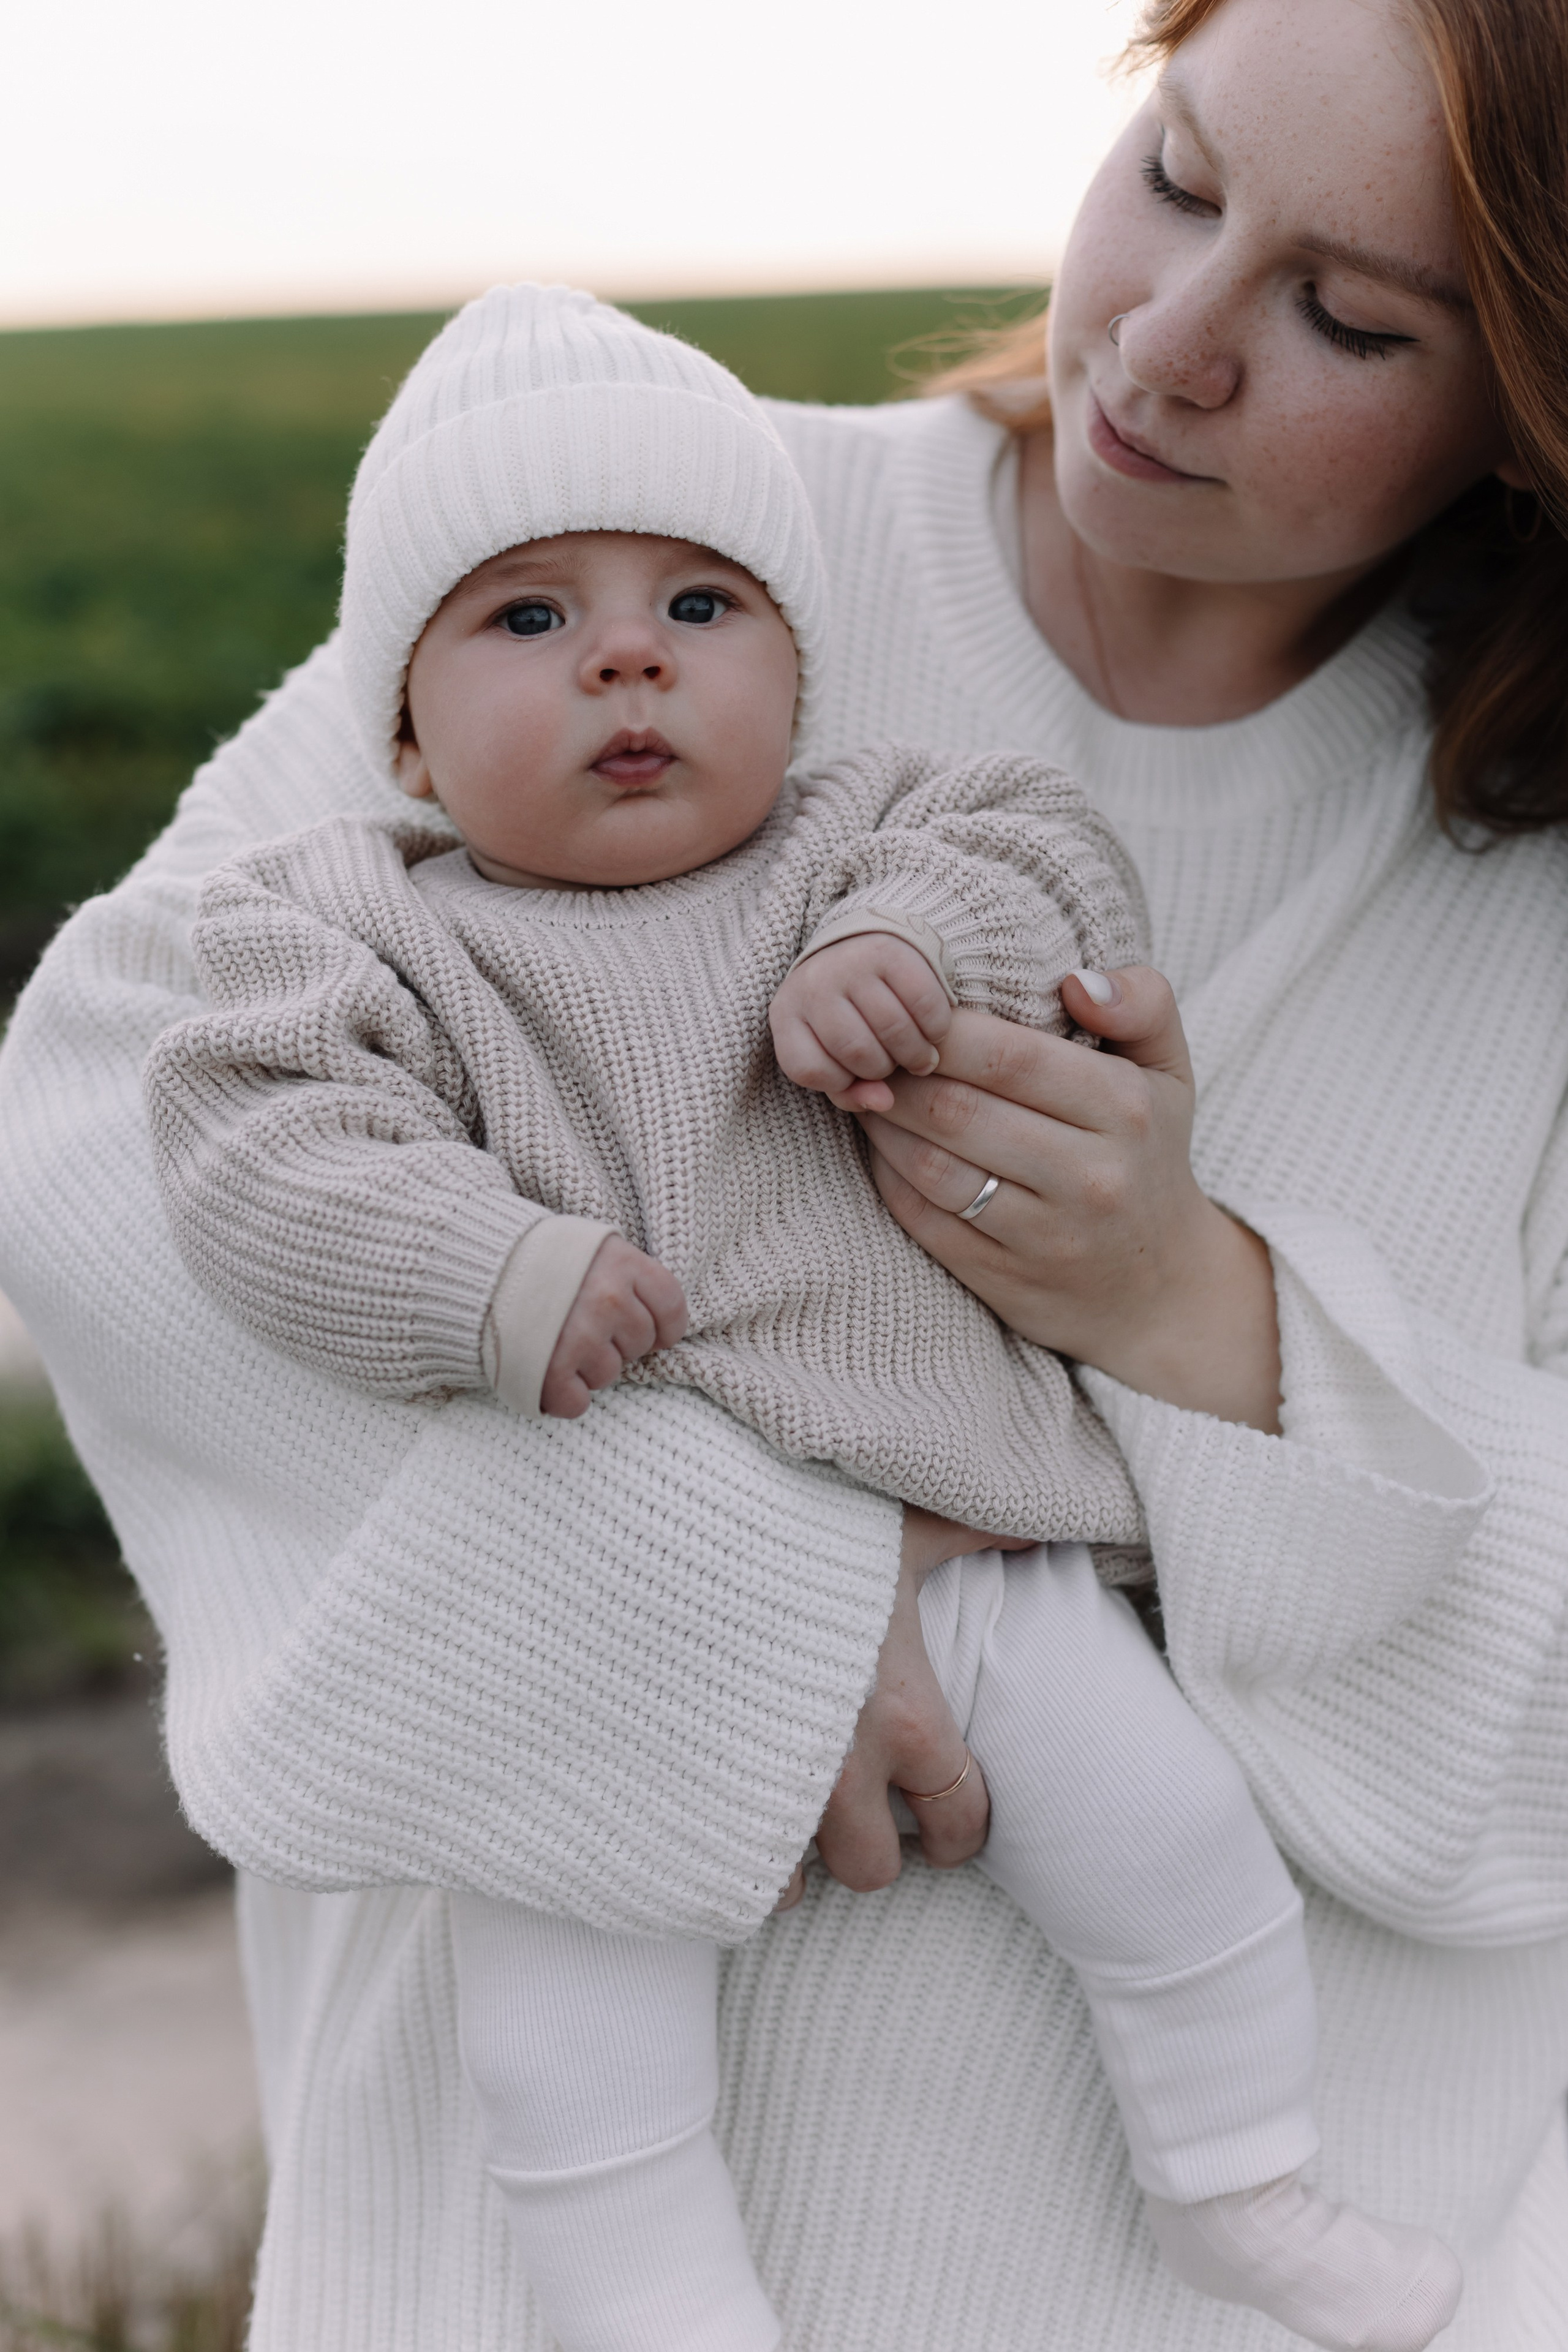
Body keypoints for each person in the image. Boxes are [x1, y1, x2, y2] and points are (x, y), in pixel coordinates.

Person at [1, 0, 1565, 2343]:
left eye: (1351, 315)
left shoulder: (1526, 888)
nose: (1169, 338)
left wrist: (1194, 1317)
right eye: (1175, 169)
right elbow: (111, 1140)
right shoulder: (637, 541)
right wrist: (716, 1589)